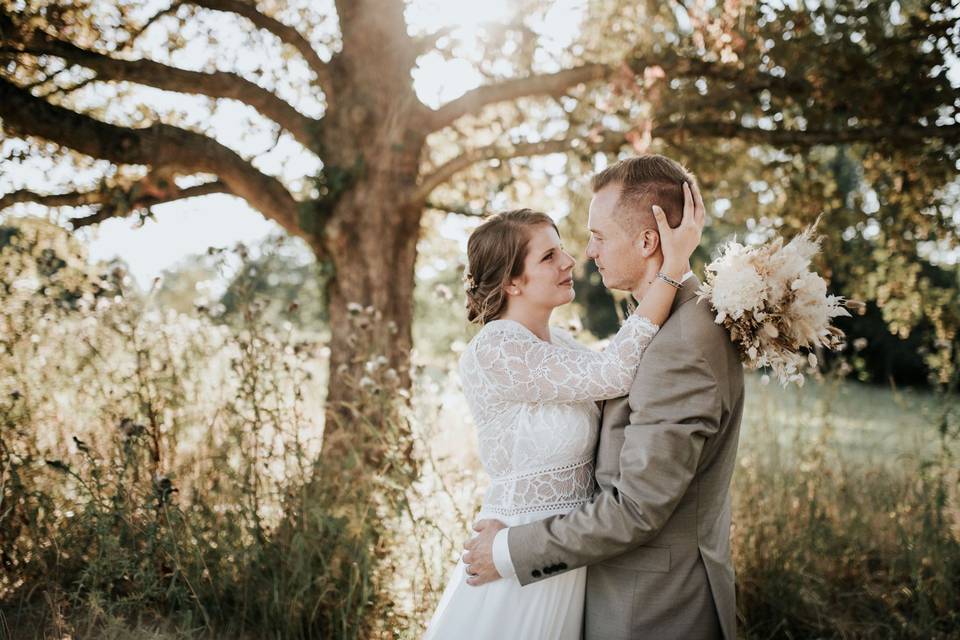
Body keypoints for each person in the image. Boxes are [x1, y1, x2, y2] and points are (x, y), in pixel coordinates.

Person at [462, 155, 744, 639]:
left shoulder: (680, 341)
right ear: (511, 281)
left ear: (647, 240)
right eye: (551, 254)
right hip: (554, 572)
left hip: (652, 606)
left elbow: (636, 508)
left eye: (598, 236)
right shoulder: (663, 326)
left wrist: (510, 552)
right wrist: (672, 271)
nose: (584, 254)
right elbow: (612, 370)